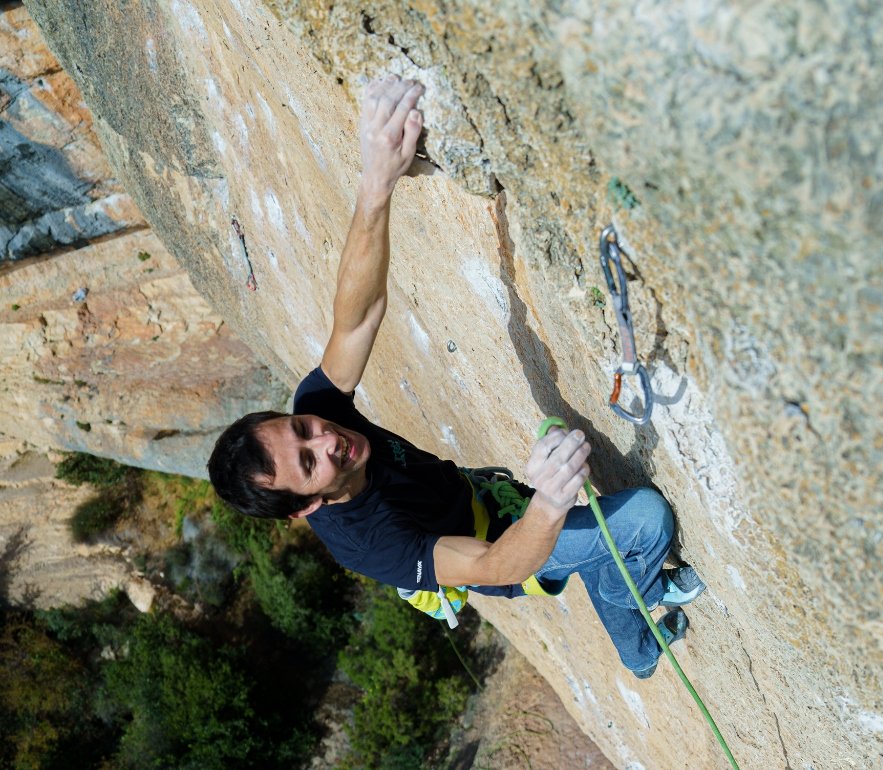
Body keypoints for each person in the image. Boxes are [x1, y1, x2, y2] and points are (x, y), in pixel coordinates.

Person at [207, 75, 704, 679]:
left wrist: (376, 184)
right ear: (304, 509)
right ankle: (641, 642)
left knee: (604, 546)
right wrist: (547, 503)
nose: (327, 440)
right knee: (643, 522)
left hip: (481, 499)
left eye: (303, 428)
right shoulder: (371, 544)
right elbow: (497, 567)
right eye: (311, 464)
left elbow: (357, 316)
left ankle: (625, 603)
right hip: (504, 544)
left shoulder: (321, 413)